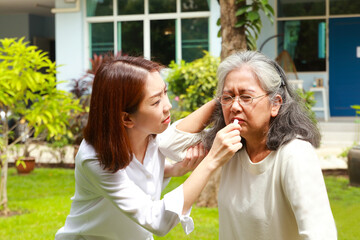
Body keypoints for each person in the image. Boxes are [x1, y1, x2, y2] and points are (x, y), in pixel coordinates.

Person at [55, 56, 242, 240]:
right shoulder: (96, 158)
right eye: (155, 102)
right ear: (127, 118)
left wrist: (173, 169)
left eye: (165, 93)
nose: (168, 106)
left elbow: (141, 171)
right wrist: (211, 162)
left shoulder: (151, 132)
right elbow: (157, 220)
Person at [160, 51, 337, 240]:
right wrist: (223, 101)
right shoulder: (231, 146)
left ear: (275, 104)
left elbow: (320, 234)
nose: (235, 107)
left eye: (246, 97)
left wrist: (231, 98)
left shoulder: (294, 154)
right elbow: (169, 145)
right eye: (227, 98)